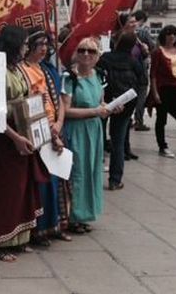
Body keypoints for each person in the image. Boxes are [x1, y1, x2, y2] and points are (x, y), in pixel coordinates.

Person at [0, 25, 47, 262]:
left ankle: (20, 239)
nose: (27, 47)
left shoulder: (17, 68)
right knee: (1, 190)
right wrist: (14, 137)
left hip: (21, 134)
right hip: (0, 138)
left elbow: (22, 100)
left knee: (21, 189)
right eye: (24, 43)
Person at [18, 27, 70, 246]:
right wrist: (49, 129)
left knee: (58, 181)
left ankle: (56, 225)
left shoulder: (48, 69)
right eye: (40, 45)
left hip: (54, 129)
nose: (44, 50)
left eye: (46, 46)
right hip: (37, 132)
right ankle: (39, 230)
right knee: (41, 184)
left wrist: (58, 123)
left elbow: (59, 100)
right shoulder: (22, 70)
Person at [62, 37, 112, 233]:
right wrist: (95, 112)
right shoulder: (69, 77)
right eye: (82, 49)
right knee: (78, 173)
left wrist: (109, 108)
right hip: (76, 130)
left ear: (98, 56)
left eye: (91, 51)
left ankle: (86, 214)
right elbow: (65, 110)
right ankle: (73, 216)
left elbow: (100, 103)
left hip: (94, 130)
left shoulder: (98, 75)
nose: (86, 54)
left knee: (91, 170)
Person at [98, 32, 144, 190]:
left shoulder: (105, 58)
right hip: (125, 104)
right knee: (118, 142)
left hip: (104, 102)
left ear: (116, 42)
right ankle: (115, 180)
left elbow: (98, 78)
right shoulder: (133, 62)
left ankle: (95, 174)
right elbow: (142, 81)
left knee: (99, 138)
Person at [150, 25, 176, 158]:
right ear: (164, 36)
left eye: (174, 34)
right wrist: (154, 92)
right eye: (169, 34)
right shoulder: (158, 52)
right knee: (161, 119)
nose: (172, 37)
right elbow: (153, 74)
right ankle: (162, 146)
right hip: (163, 89)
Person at [132, 10, 155, 131]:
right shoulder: (144, 31)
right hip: (141, 65)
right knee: (141, 93)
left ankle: (129, 119)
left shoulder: (128, 29)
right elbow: (152, 46)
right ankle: (139, 120)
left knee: (131, 94)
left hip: (129, 68)